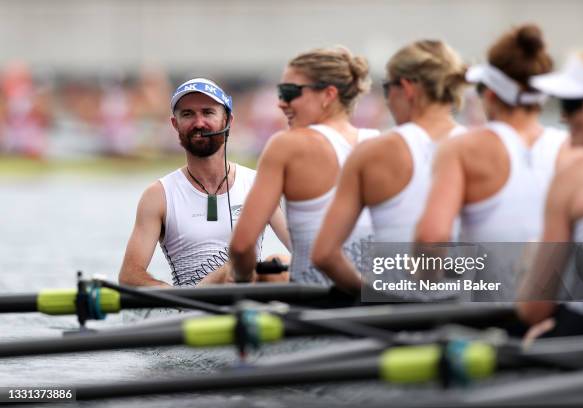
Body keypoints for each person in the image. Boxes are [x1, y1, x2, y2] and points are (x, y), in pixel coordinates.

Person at [413, 25, 580, 300]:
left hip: (486, 321)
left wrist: (425, 286)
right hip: (557, 318)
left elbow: (432, 239)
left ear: (490, 94)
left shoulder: (461, 149)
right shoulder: (575, 150)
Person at [311, 40, 468, 294]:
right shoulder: (488, 149)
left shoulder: (373, 152)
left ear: (406, 88)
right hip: (476, 316)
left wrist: (372, 293)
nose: (388, 100)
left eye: (386, 88)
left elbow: (324, 254)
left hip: (395, 318)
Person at [119, 78, 290, 287]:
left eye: (208, 112)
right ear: (175, 124)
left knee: (280, 264)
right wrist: (180, 298)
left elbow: (301, 251)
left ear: (227, 120)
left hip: (248, 294)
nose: (199, 123)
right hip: (192, 304)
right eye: (188, 114)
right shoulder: (158, 195)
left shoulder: (258, 184)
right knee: (233, 268)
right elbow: (129, 276)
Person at [230, 46, 378, 285]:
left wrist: (241, 282)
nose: (280, 103)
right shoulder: (381, 143)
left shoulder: (286, 145)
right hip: (379, 303)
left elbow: (241, 245)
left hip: (314, 306)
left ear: (329, 95)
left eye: (289, 92)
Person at [517, 49, 583, 336]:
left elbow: (534, 308)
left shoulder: (574, 176)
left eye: (572, 105)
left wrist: (531, 262)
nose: (563, 117)